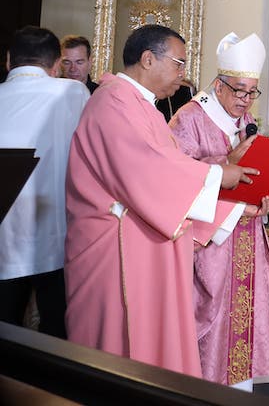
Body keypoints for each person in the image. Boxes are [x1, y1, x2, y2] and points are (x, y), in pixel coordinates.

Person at [64, 24, 259, 378]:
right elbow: (148, 172)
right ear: (148, 59)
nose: (184, 75)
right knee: (118, 358)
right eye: (179, 64)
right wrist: (220, 174)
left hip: (144, 245)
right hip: (115, 252)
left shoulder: (144, 108)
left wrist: (234, 205)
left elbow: (167, 172)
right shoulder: (113, 101)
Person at [168, 32, 269, 391]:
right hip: (209, 245)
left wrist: (266, 200)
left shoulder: (243, 122)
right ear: (219, 84)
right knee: (210, 324)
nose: (246, 101)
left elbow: (252, 178)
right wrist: (225, 162)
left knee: (243, 324)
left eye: (252, 92)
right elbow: (172, 177)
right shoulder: (189, 118)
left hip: (246, 240)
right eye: (239, 91)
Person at [0, 27, 89, 338]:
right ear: (55, 67)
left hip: (3, 244)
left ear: (9, 61)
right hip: (55, 238)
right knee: (56, 337)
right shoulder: (72, 93)